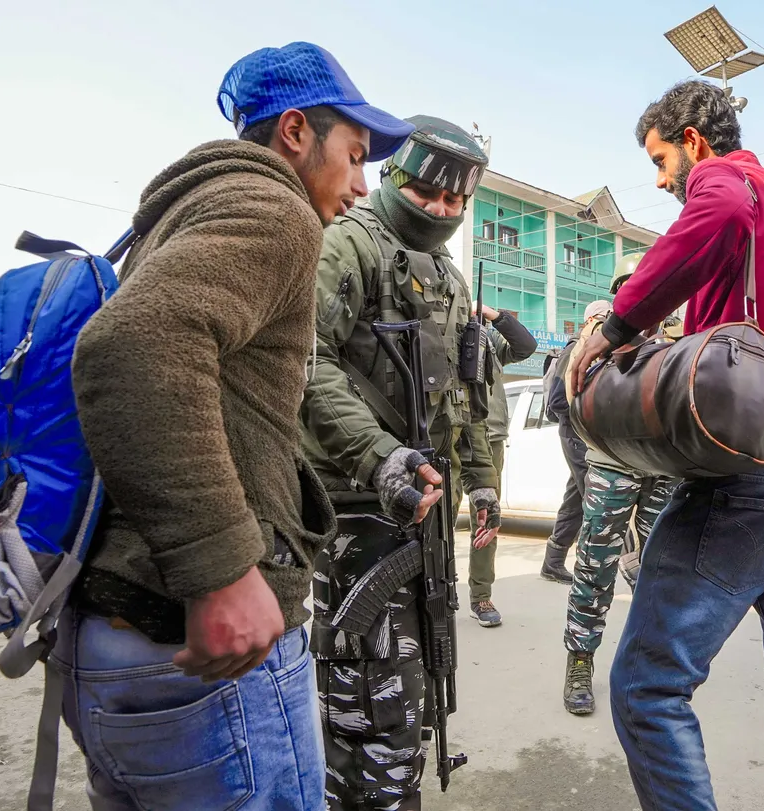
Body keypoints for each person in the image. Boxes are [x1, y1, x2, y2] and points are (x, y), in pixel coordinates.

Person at [65, 42, 412, 811]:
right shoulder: (274, 210)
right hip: (198, 654)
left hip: (118, 645)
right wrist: (220, 567)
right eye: (354, 157)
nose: (361, 188)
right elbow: (131, 347)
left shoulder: (186, 215)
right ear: (295, 132)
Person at [569, 80, 764, 811]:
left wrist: (616, 326)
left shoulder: (729, 183)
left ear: (692, 140)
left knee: (646, 683)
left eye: (662, 159)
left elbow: (714, 209)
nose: (663, 180)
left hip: (753, 476)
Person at [300, 114, 500, 810]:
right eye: (428, 194)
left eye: (455, 202)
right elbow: (304, 360)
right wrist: (379, 456)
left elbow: (468, 394)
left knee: (409, 702)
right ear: (395, 177)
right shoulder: (348, 244)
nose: (442, 211)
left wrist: (481, 484)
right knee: (363, 708)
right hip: (357, 519)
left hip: (425, 518)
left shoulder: (448, 275)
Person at [550, 304, 676, 716]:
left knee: (658, 568)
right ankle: (580, 659)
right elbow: (569, 403)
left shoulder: (674, 337)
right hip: (611, 466)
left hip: (663, 467)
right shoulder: (599, 338)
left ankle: (650, 664)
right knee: (595, 566)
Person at [458, 305, 537, 627]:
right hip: (445, 432)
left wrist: (493, 315)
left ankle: (480, 595)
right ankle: (433, 590)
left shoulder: (487, 339)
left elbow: (526, 347)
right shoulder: (438, 332)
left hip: (488, 437)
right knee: (437, 521)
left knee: (486, 518)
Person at [539, 300, 613, 583]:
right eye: (604, 317)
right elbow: (559, 401)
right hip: (575, 433)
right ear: (591, 320)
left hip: (587, 435)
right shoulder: (575, 350)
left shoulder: (599, 352)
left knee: (576, 498)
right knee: (598, 498)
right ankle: (596, 571)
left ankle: (553, 561)